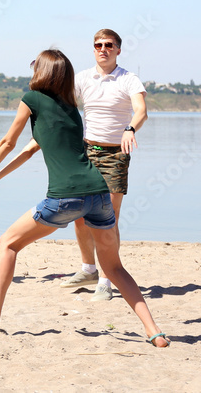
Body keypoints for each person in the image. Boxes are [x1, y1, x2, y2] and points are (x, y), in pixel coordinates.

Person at [0, 49, 168, 347]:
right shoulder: (70, 108)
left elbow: (8, 142)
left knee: (8, 243)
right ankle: (154, 331)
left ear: (43, 72)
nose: (31, 69)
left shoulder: (32, 99)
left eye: (34, 65)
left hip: (65, 197)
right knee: (113, 267)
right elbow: (28, 150)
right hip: (99, 193)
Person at [60, 29, 147, 301]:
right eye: (98, 45)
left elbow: (141, 110)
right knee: (80, 214)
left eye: (109, 45)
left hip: (115, 154)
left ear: (118, 50)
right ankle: (88, 269)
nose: (103, 49)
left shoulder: (128, 79)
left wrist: (130, 128)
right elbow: (65, 105)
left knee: (108, 219)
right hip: (86, 152)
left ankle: (107, 279)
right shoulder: (83, 78)